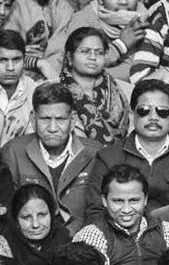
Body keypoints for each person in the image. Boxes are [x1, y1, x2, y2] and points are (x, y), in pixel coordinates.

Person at [1, 84, 100, 230]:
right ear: (33, 119)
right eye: (45, 119)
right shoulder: (13, 152)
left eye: (60, 119)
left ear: (72, 120)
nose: (52, 128)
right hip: (30, 245)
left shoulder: (95, 153)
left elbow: (100, 210)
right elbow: (9, 212)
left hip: (82, 245)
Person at [0, 185, 69, 265]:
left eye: (42, 215)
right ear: (16, 220)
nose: (35, 224)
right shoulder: (5, 248)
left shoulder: (67, 245)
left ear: (51, 213)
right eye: (26, 217)